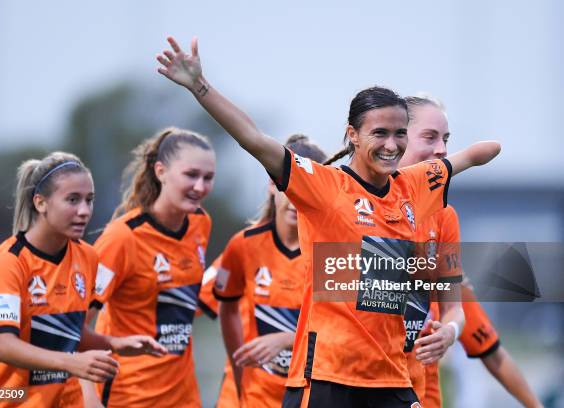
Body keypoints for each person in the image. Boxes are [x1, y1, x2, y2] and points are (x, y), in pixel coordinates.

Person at [156, 36, 500, 407]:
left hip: (391, 377)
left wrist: (450, 330)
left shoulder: (414, 186)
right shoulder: (323, 185)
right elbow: (253, 139)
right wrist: (199, 86)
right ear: (352, 135)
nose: (392, 144)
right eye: (379, 133)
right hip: (327, 377)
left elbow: (482, 152)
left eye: (400, 133)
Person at [0, 152, 166, 408]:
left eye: (89, 200)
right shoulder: (10, 261)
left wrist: (115, 343)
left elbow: (69, 331)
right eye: (72, 200)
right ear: (41, 203)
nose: (84, 211)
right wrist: (71, 362)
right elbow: (4, 346)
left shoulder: (86, 256)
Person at [400, 95, 543, 408]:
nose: (441, 149)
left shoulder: (443, 221)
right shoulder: (354, 215)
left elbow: (490, 350)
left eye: (446, 139)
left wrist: (450, 329)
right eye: (429, 137)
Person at [79, 127, 216, 407]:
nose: (200, 187)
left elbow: (179, 302)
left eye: (208, 178)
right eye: (191, 175)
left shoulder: (201, 223)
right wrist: (89, 398)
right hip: (128, 397)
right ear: (161, 171)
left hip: (184, 397)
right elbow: (72, 327)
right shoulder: (122, 238)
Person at [211, 135, 327, 407]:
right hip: (253, 398)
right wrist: (239, 367)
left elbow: (344, 338)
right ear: (272, 185)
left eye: (308, 188)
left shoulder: (332, 254)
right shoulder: (243, 245)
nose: (297, 198)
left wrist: (288, 340)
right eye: (289, 186)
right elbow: (226, 308)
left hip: (307, 397)